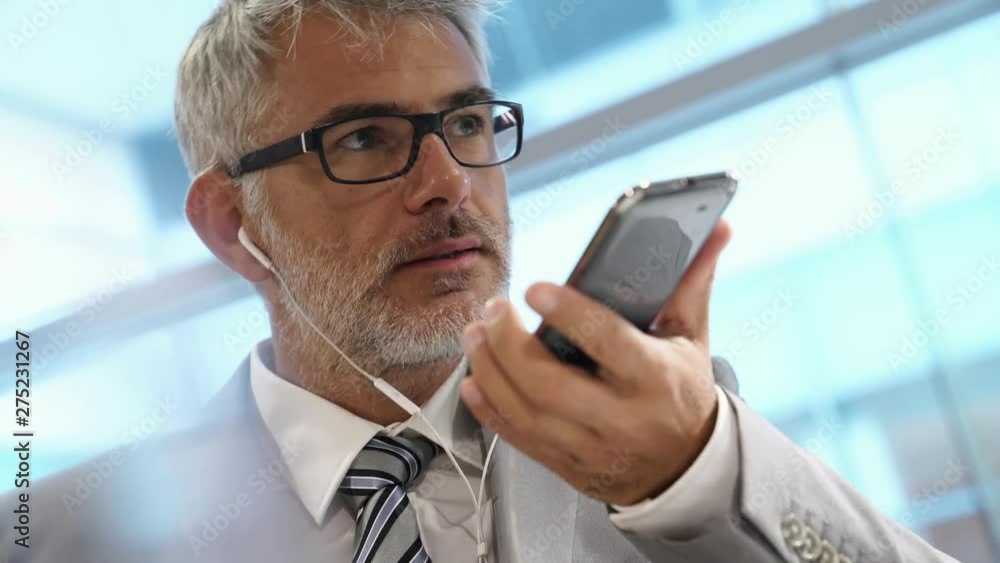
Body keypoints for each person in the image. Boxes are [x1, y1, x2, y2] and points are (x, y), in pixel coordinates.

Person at [2, 1, 960, 561]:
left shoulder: (667, 438)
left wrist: (699, 470)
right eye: (364, 138)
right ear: (231, 221)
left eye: (466, 123)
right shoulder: (61, 535)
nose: (449, 184)